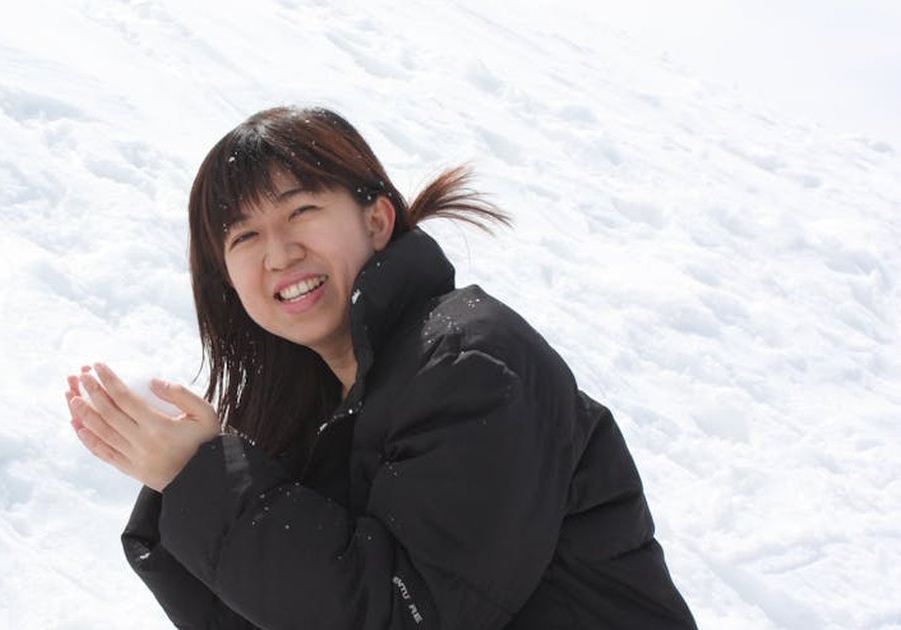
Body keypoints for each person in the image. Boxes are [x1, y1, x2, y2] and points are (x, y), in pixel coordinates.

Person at [65, 106, 697, 629]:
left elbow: (405, 613)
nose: (278, 253)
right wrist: (183, 484)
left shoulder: (470, 361)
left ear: (377, 220)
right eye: (244, 237)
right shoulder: (320, 408)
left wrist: (203, 481)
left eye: (300, 212)